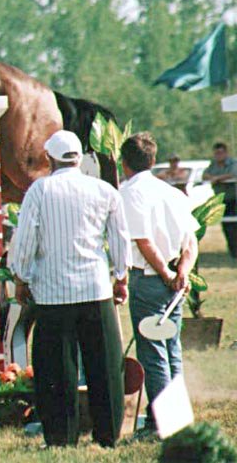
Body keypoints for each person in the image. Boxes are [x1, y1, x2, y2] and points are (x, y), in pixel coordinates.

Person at [8, 130, 131, 449]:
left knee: (57, 369)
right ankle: (108, 435)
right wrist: (121, 276)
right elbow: (120, 238)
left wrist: (21, 277)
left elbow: (25, 241)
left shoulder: (40, 191)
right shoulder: (104, 191)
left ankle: (61, 437)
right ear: (80, 158)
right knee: (104, 366)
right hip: (96, 289)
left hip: (53, 293)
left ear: (50, 158)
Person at [120, 132, 199, 440]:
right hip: (175, 278)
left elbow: (143, 240)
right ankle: (177, 419)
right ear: (152, 160)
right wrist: (183, 271)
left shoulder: (130, 192)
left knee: (153, 353)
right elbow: (190, 241)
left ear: (125, 163)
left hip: (151, 279)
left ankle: (163, 424)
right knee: (171, 349)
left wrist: (167, 273)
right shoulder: (171, 192)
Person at [203, 142, 237, 259]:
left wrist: (217, 178)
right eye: (216, 153)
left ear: (226, 153)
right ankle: (233, 252)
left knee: (234, 226)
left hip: (234, 199)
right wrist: (212, 178)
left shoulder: (233, 163)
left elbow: (233, 174)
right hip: (223, 200)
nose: (218, 155)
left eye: (221, 152)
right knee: (227, 226)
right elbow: (205, 175)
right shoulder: (213, 165)